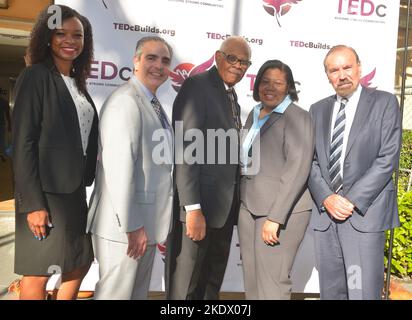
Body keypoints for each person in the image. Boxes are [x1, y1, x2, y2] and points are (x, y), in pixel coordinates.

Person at [12, 5, 98, 300]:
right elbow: (24, 143)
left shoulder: (77, 83)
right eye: (61, 33)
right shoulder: (36, 76)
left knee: (80, 261)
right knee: (37, 273)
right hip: (44, 195)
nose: (70, 40)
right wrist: (33, 204)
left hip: (74, 192)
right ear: (48, 37)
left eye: (78, 35)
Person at [308, 45, 401, 300]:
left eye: (347, 67)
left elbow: (387, 158)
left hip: (363, 216)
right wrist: (327, 197)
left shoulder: (384, 102)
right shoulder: (317, 110)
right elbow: (310, 160)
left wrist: (350, 200)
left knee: (361, 292)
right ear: (327, 76)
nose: (342, 74)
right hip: (326, 218)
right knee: (331, 293)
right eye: (334, 70)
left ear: (359, 68)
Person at [87, 36, 174, 300]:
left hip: (143, 226)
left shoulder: (151, 103)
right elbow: (119, 169)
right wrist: (132, 225)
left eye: (165, 60)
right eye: (151, 58)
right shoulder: (126, 101)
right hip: (124, 228)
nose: (159, 65)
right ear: (135, 61)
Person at [166, 36, 252, 300]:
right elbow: (186, 150)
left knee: (210, 284)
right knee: (187, 285)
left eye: (245, 62)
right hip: (199, 209)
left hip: (223, 211)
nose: (239, 66)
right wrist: (192, 209)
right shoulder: (198, 86)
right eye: (233, 58)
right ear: (217, 57)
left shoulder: (230, 94)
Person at [238, 60, 314, 299]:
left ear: (289, 86)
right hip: (249, 208)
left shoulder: (298, 117)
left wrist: (275, 217)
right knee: (252, 281)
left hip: (279, 213)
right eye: (265, 81)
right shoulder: (255, 112)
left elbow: (297, 170)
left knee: (273, 285)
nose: (270, 87)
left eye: (278, 83)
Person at [0, 95, 11, 161]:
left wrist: (10, 124)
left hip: (1, 124)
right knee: (2, 140)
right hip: (2, 124)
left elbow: (7, 114)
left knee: (2, 140)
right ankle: (2, 155)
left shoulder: (3, 101)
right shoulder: (4, 101)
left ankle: (2, 154)